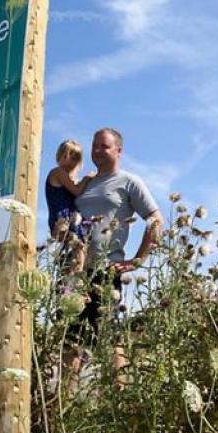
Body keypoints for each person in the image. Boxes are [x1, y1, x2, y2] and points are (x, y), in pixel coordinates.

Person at [70, 127, 163, 346]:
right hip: (75, 272)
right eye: (94, 146)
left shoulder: (129, 182)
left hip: (105, 271)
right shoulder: (85, 184)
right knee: (71, 338)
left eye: (104, 146)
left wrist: (138, 260)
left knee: (108, 338)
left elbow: (156, 220)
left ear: (118, 151)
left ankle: (117, 371)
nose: (97, 150)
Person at [45, 140, 93, 272]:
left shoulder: (67, 177)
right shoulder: (58, 172)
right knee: (79, 245)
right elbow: (76, 191)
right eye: (66, 156)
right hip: (62, 218)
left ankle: (70, 274)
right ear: (59, 156)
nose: (70, 161)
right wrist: (87, 178)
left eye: (75, 158)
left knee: (72, 250)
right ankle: (76, 275)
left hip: (68, 218)